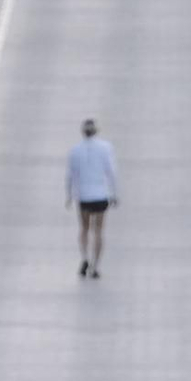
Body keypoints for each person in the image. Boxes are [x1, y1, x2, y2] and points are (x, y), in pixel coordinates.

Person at [66, 116, 119, 279]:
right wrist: (114, 193)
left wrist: (69, 195)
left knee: (84, 228)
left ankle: (84, 258)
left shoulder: (75, 150)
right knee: (99, 231)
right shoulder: (105, 148)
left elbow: (70, 175)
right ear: (96, 131)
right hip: (100, 195)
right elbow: (111, 172)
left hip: (84, 196)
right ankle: (95, 266)